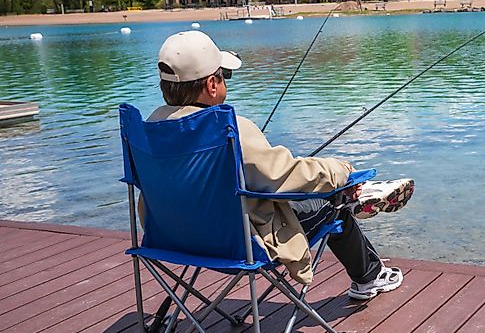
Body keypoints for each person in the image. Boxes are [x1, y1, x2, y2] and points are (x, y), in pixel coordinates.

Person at [144, 30, 409, 300]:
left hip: (173, 238)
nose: (225, 83)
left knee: (288, 188)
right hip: (239, 244)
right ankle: (368, 272)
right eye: (225, 76)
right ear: (212, 85)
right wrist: (342, 169)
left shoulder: (148, 130)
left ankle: (348, 194)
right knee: (332, 203)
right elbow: (284, 176)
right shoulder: (227, 129)